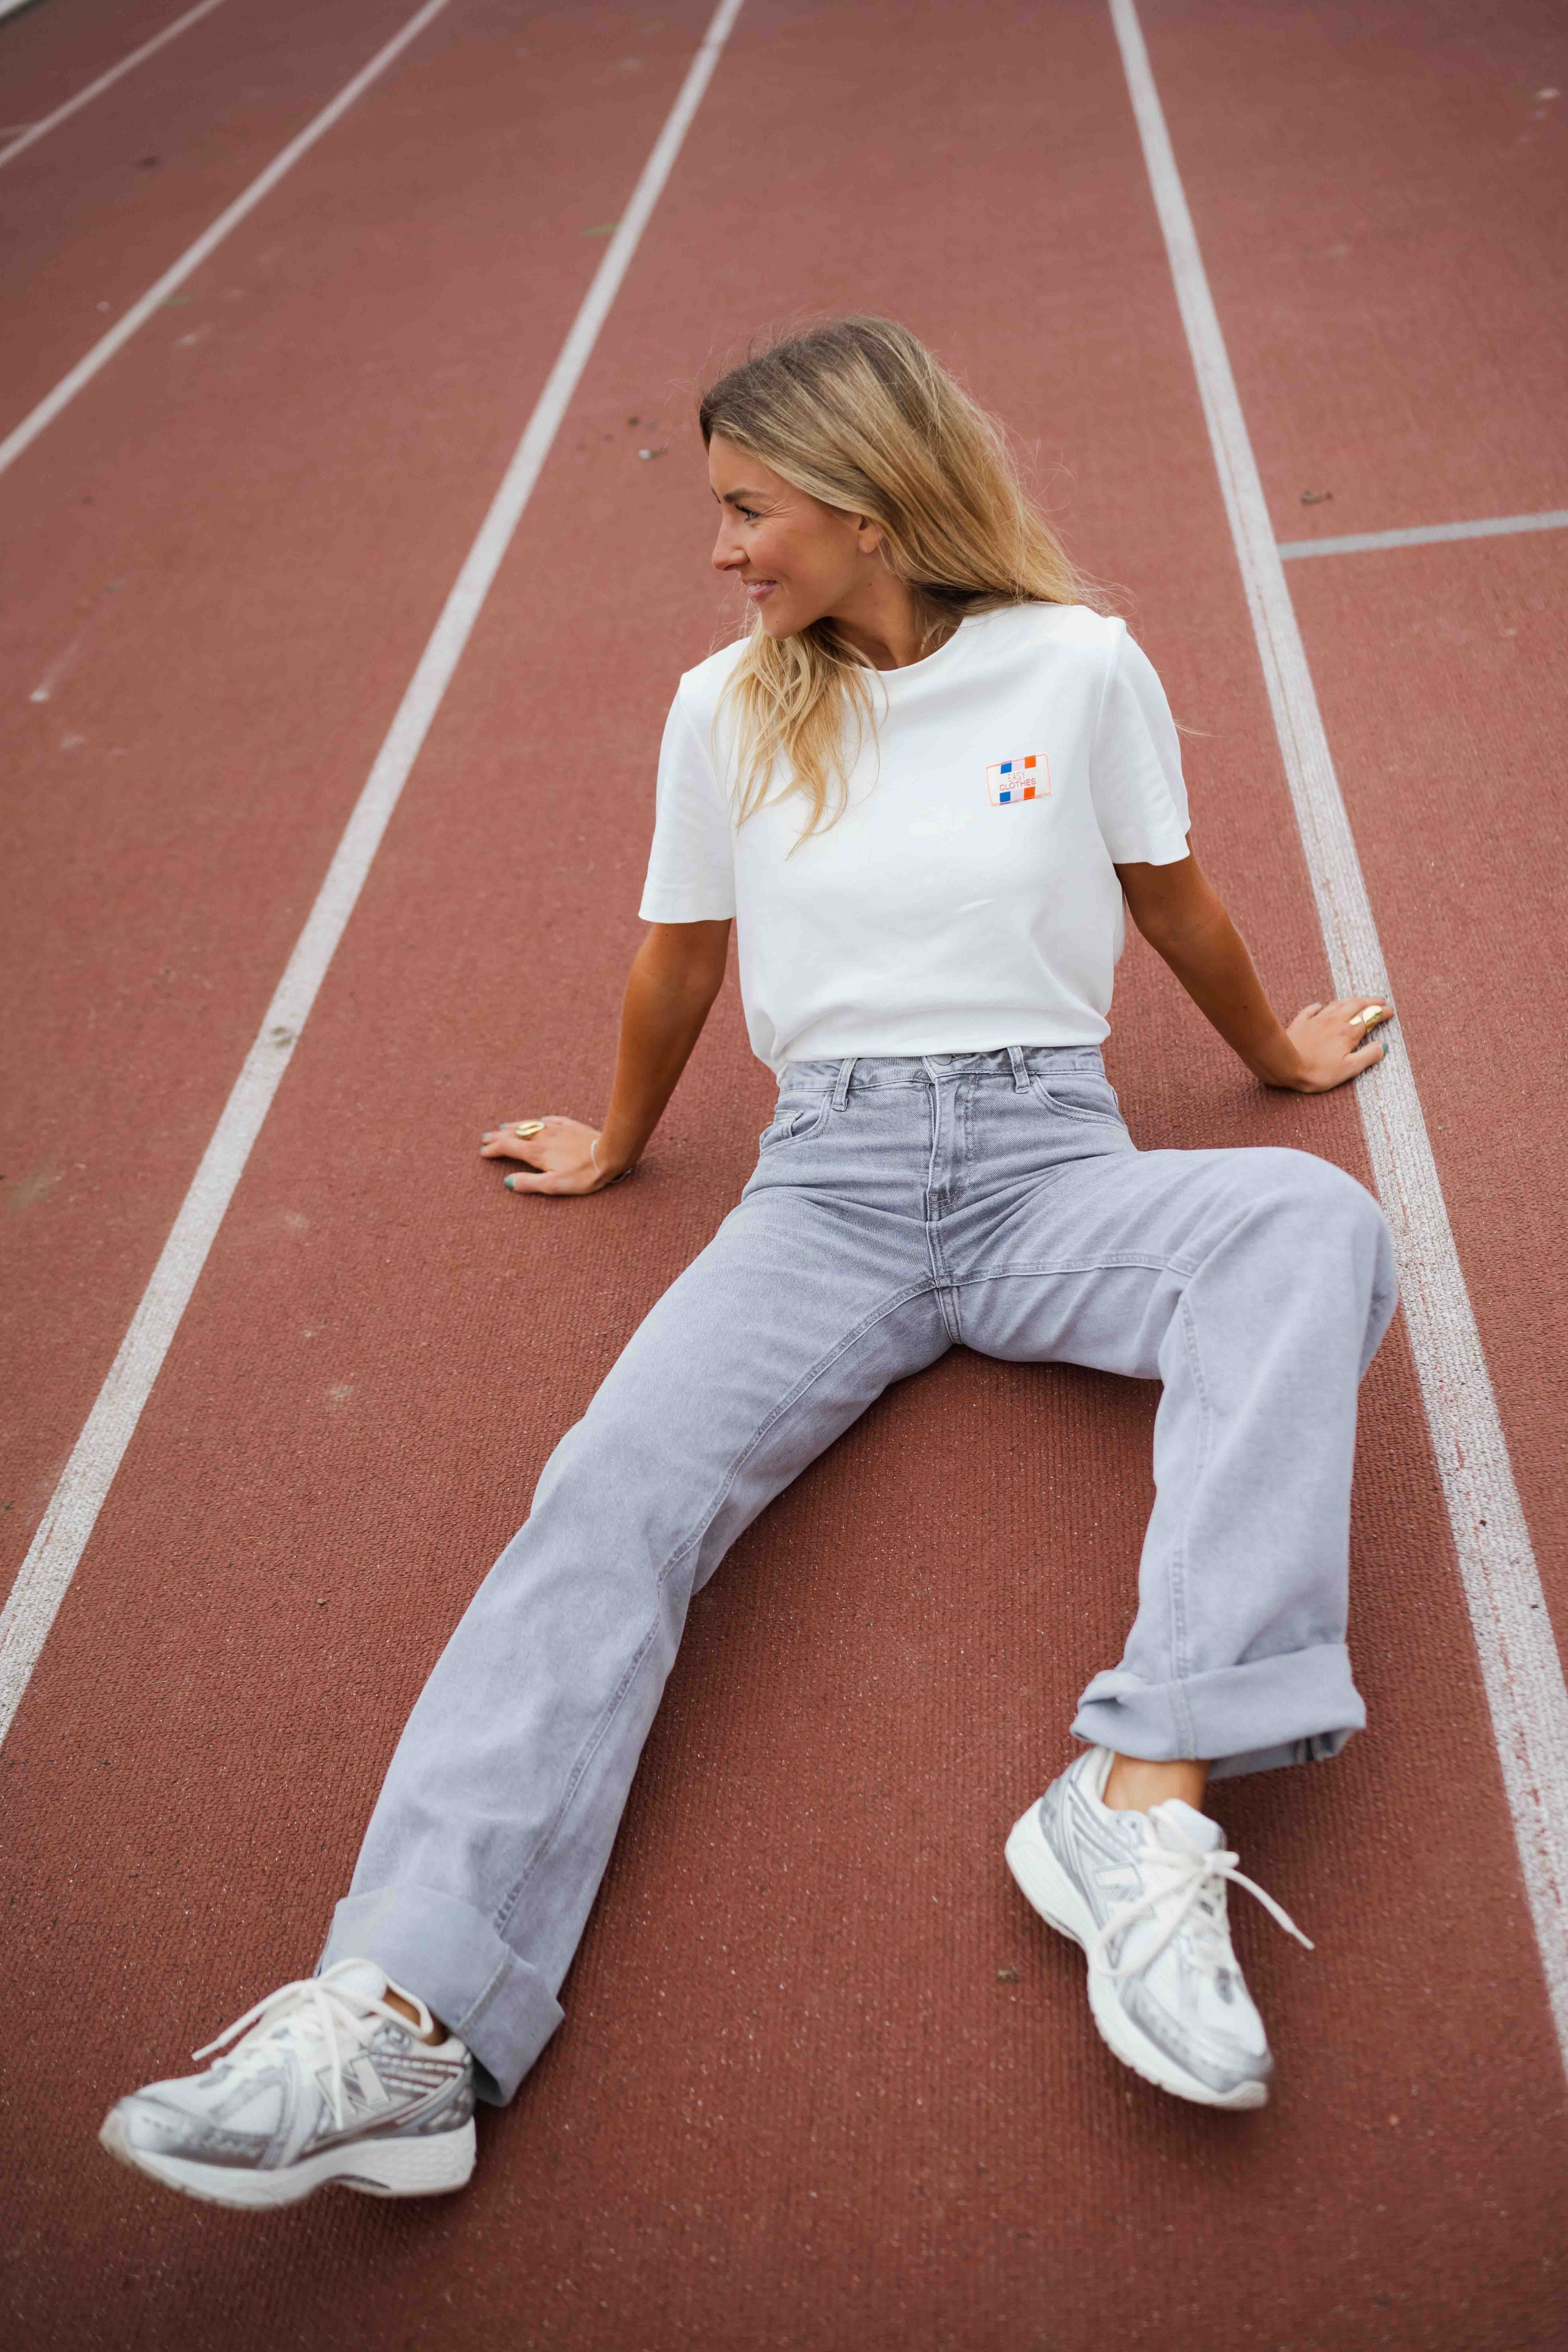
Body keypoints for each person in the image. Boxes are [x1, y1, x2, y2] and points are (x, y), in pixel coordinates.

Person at [101, 318, 1397, 2209]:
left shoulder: (1079, 667)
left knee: (1311, 1222)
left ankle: (1141, 1799)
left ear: (870, 503)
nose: (720, 549)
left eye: (744, 507)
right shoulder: (723, 707)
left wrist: (1276, 1059)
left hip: (1051, 1159)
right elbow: (681, 958)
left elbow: (1164, 893)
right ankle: (404, 2018)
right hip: (828, 1191)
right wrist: (620, 1141)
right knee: (603, 1497)